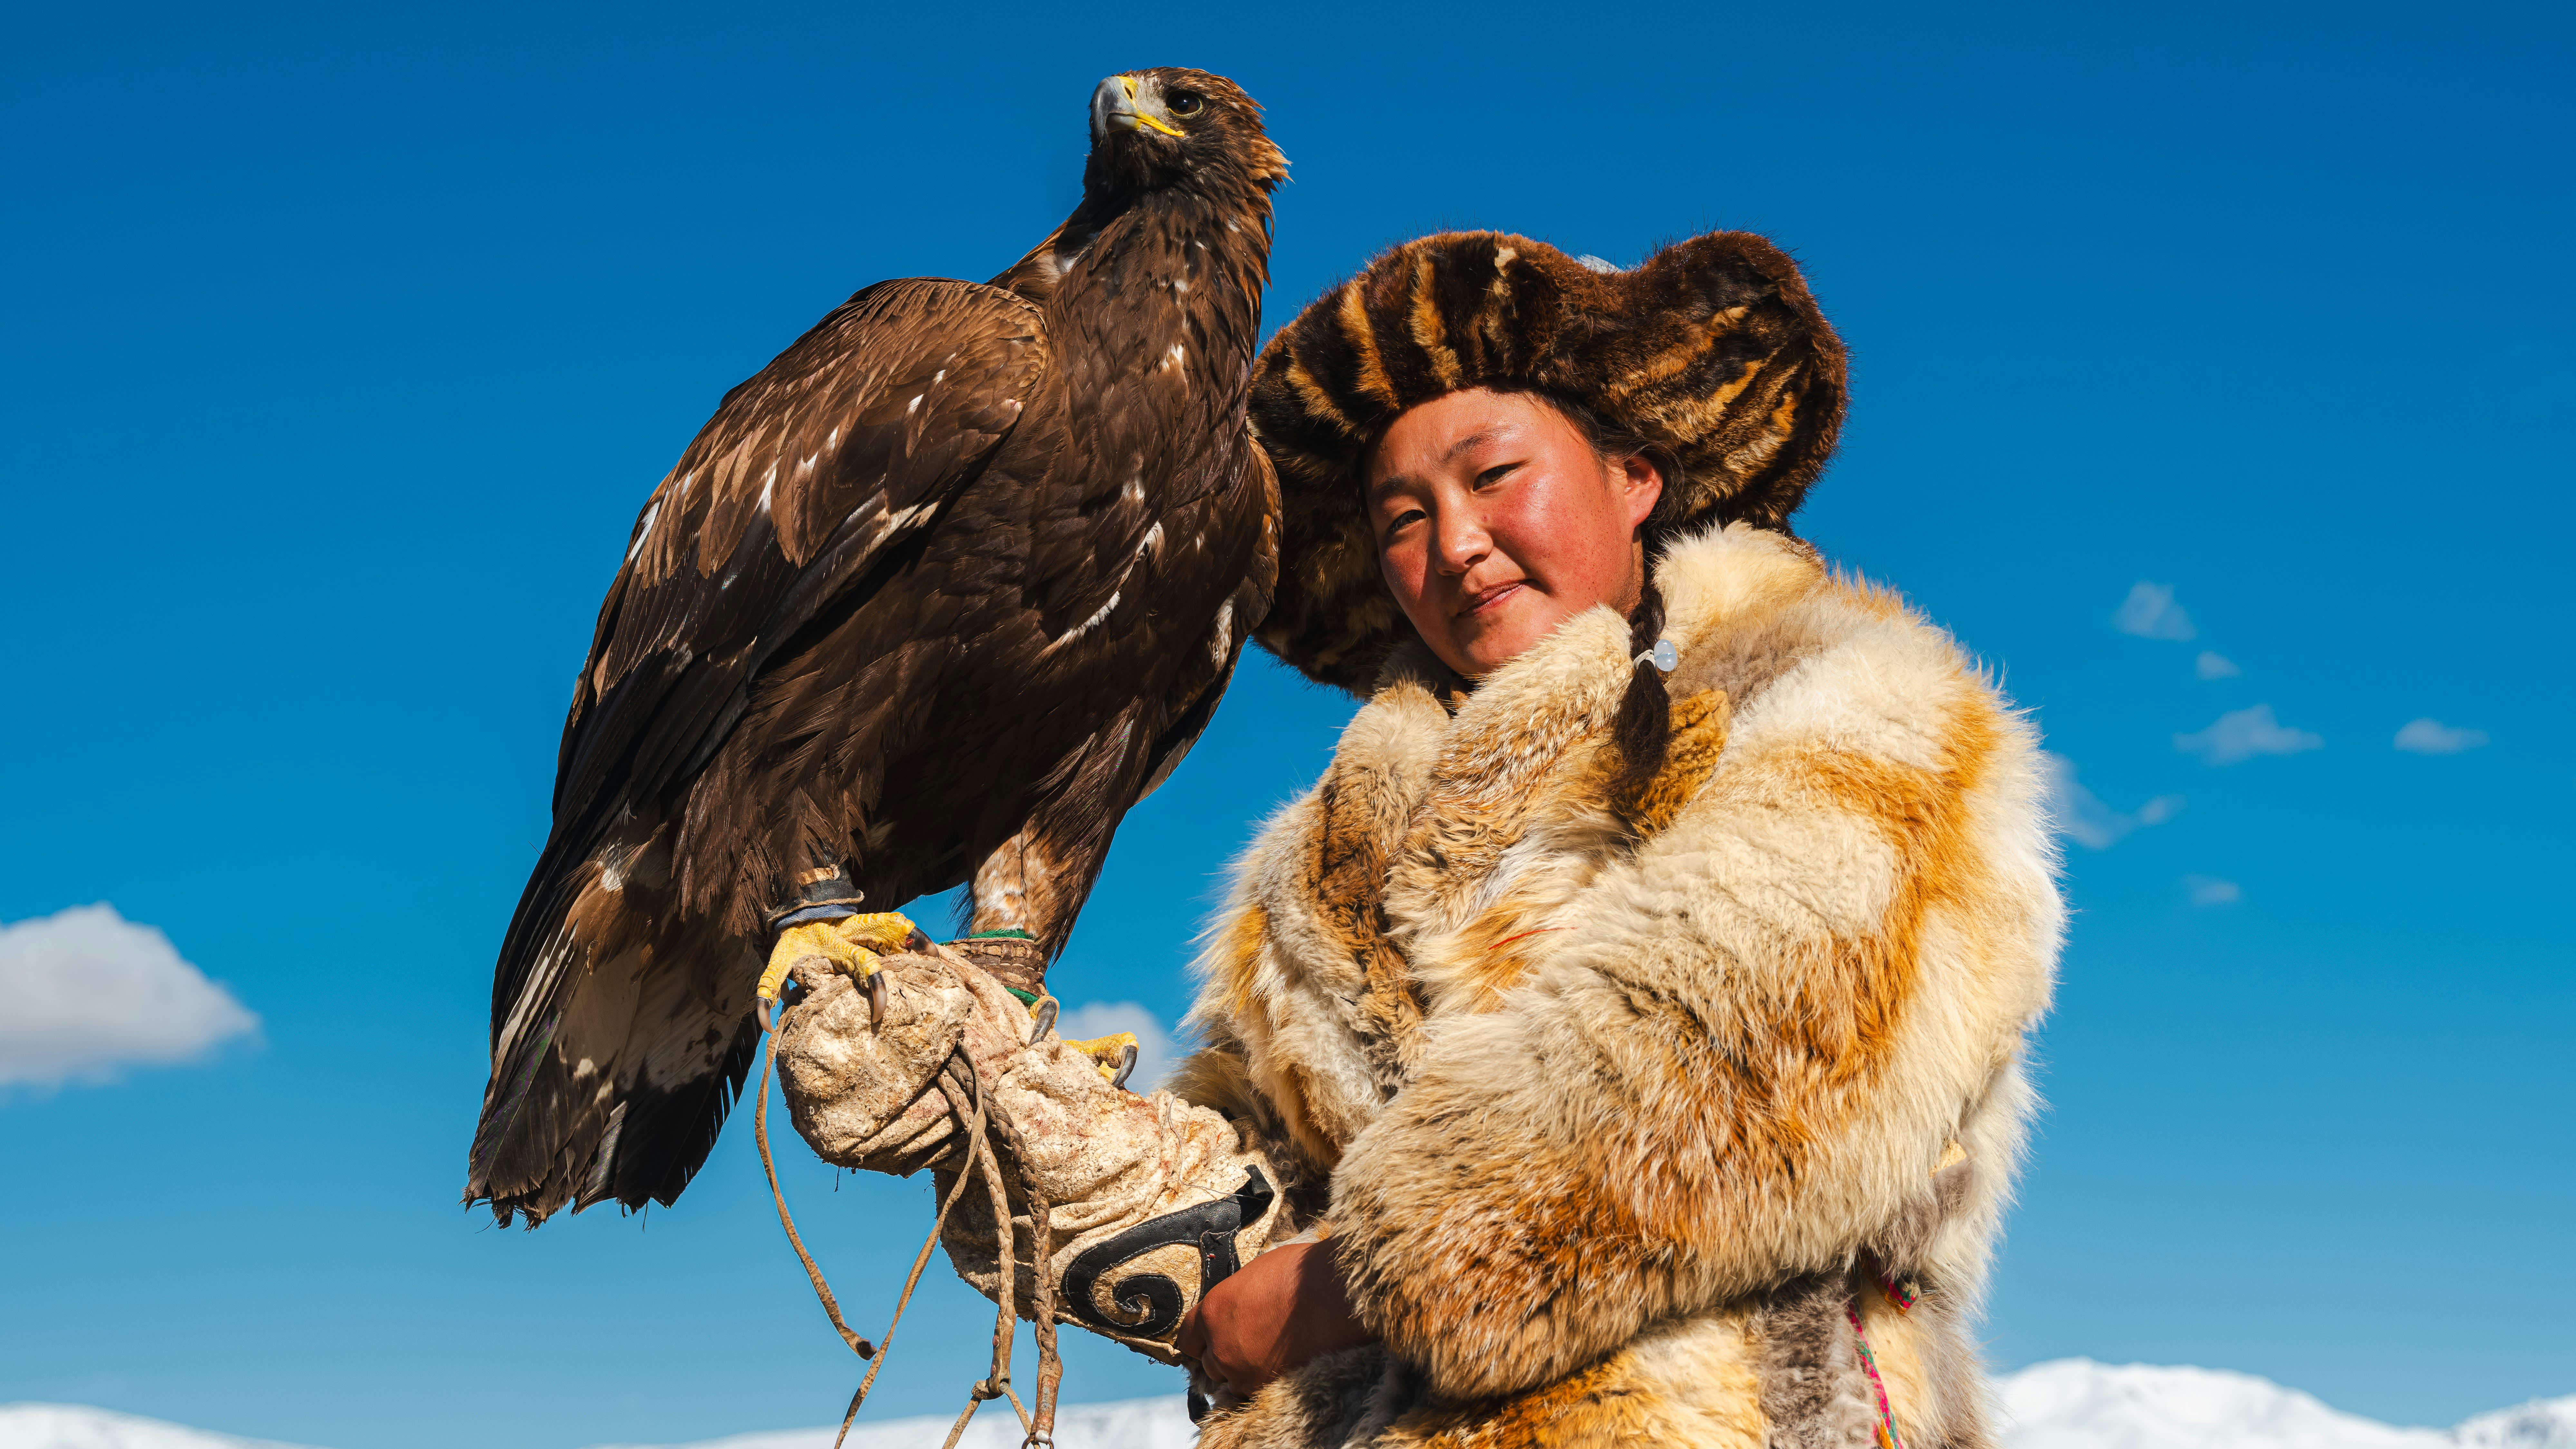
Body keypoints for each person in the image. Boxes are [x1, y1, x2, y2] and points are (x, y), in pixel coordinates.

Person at [774, 227, 2060, 1449]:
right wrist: (997, 1120)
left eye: (1495, 476)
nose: (1454, 544)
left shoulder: (1843, 705)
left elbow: (1742, 1094)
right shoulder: (1316, 870)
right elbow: (1241, 1222)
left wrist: (1328, 1296)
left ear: (1633, 478)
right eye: (1399, 518)